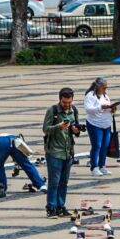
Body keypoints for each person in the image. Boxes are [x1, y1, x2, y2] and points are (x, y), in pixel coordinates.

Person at [42, 87, 80, 218]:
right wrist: (59, 127)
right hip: (54, 152)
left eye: (69, 102)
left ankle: (61, 206)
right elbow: (45, 129)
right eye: (64, 102)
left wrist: (76, 130)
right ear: (60, 99)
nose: (67, 105)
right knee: (54, 182)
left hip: (68, 152)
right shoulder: (52, 111)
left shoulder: (74, 110)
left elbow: (75, 129)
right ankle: (51, 207)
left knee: (64, 182)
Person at [0, 133, 45, 198]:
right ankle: (41, 185)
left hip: (1, 143)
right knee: (26, 163)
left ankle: (1, 189)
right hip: (15, 139)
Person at [83, 77, 118, 177]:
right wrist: (100, 107)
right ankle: (94, 167)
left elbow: (108, 107)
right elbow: (88, 109)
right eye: (103, 87)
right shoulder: (90, 95)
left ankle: (102, 165)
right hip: (95, 124)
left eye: (106, 87)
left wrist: (112, 109)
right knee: (97, 145)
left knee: (105, 146)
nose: (105, 89)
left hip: (106, 124)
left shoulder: (105, 96)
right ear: (98, 86)